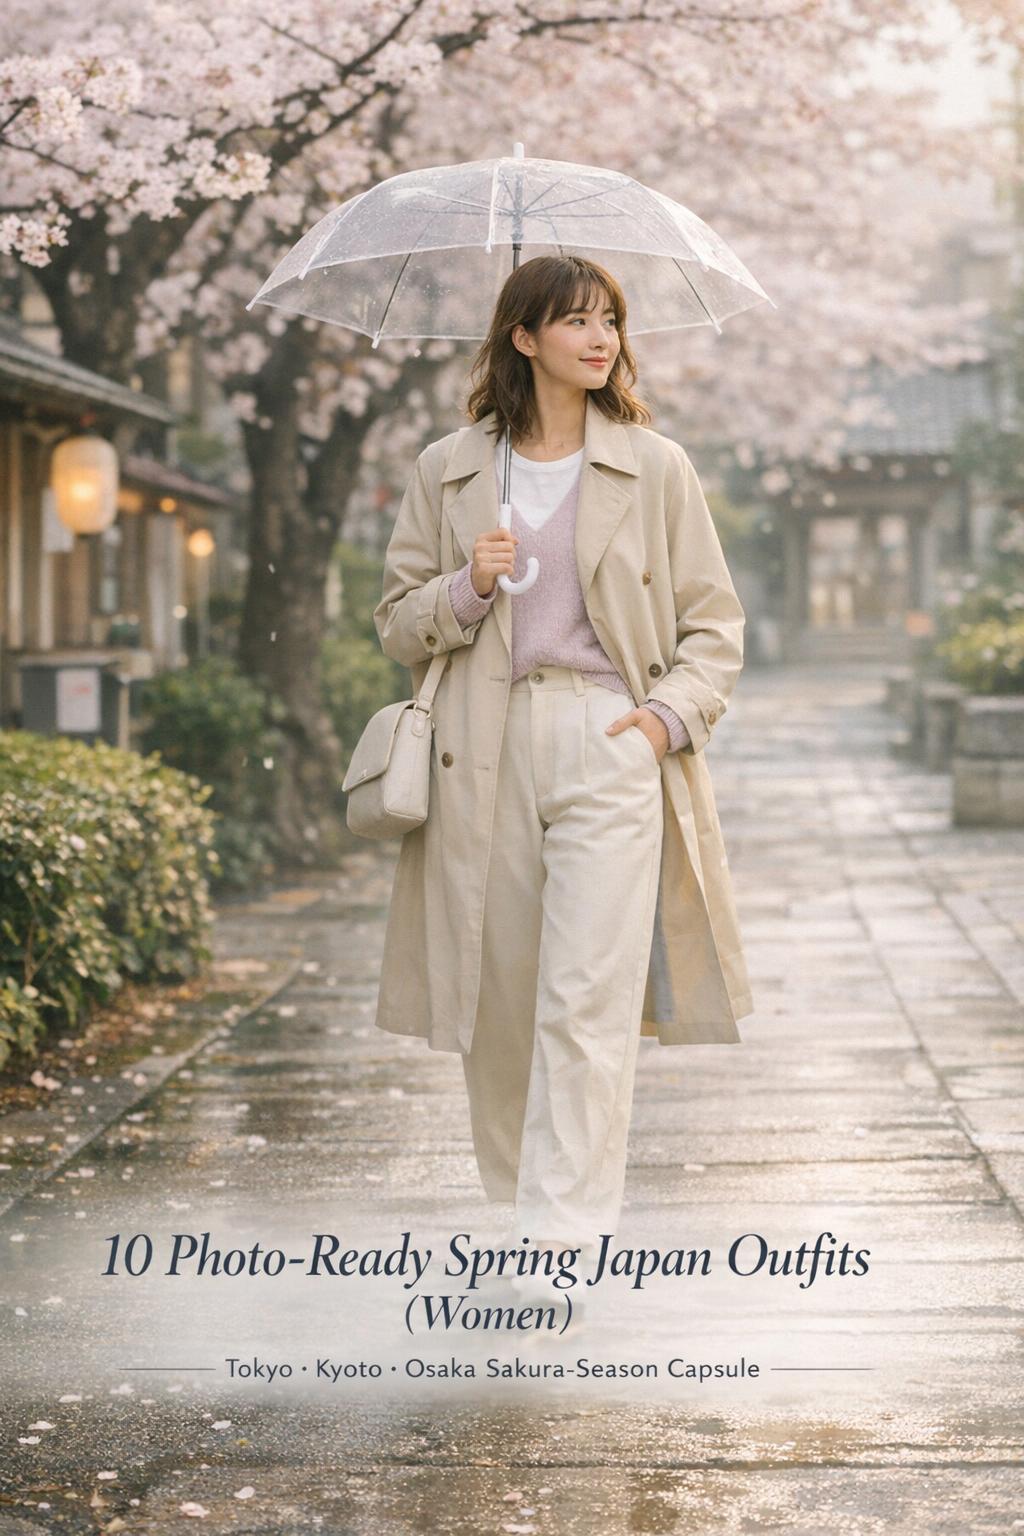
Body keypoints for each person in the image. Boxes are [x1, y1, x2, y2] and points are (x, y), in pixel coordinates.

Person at [372, 254, 752, 1266]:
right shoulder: (448, 470)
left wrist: (664, 718)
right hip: (479, 749)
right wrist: (467, 586)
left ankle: (561, 1237)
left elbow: (713, 626)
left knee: (585, 999)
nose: (601, 339)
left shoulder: (655, 465)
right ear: (522, 338)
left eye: (611, 322)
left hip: (607, 737)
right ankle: (516, 1217)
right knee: (499, 1000)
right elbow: (395, 624)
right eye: (576, 321)